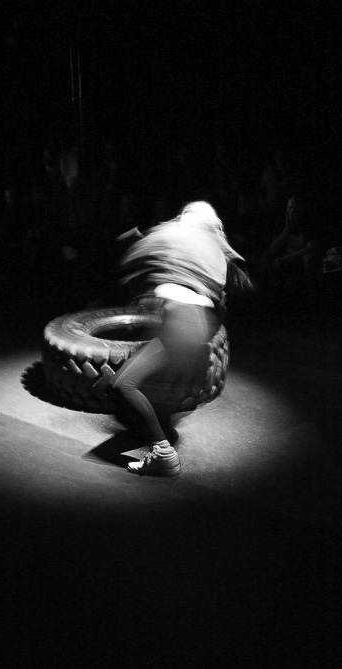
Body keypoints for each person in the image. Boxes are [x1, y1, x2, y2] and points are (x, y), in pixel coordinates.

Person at [109, 201, 251, 476]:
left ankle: (163, 452)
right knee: (139, 377)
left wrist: (136, 240)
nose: (179, 218)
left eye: (184, 216)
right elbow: (231, 280)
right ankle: (160, 440)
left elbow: (135, 252)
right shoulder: (213, 248)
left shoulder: (179, 235)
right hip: (196, 323)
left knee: (123, 385)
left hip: (182, 323)